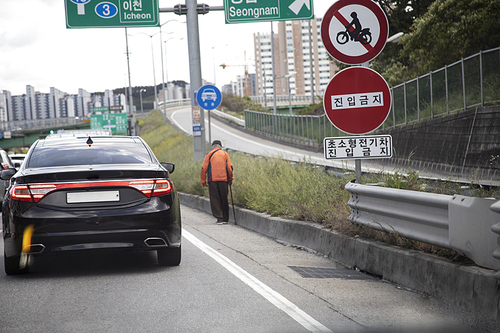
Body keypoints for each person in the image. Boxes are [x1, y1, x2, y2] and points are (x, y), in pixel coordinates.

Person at [200, 140, 234, 224]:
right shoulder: (225, 154)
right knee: (224, 198)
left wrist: (203, 181)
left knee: (215, 199)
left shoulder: (209, 154)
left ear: (212, 147)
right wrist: (230, 178)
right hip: (224, 180)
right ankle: (226, 218)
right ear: (220, 147)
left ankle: (220, 218)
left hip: (213, 180)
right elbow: (230, 168)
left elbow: (204, 169)